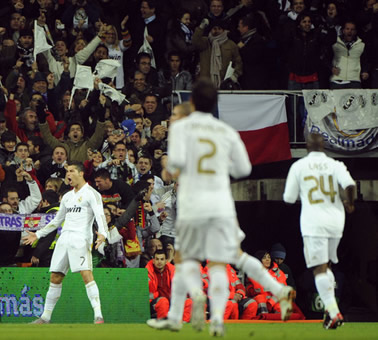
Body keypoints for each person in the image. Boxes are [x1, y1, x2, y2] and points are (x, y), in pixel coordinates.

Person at [147, 78, 294, 337]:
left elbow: (175, 167)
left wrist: (169, 168)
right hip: (221, 202)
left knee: (184, 259)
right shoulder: (225, 131)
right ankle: (217, 318)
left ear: (192, 102)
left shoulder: (183, 128)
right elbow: (244, 169)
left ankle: (178, 314)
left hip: (194, 202)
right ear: (215, 104)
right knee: (222, 261)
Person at [283, 133, 356, 330]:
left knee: (318, 270)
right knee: (328, 266)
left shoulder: (299, 166)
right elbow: (350, 185)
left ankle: (333, 312)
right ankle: (329, 313)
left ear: (307, 145)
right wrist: (349, 202)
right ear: (324, 145)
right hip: (336, 221)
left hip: (314, 222)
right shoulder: (335, 165)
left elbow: (289, 198)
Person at [23, 161, 108, 324]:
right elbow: (57, 221)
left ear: (81, 173)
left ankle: (98, 314)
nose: (68, 174)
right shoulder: (67, 197)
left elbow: (100, 215)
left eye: (71, 171)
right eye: (67, 172)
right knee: (55, 277)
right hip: (63, 240)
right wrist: (38, 234)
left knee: (86, 275)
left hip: (80, 239)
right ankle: (45, 317)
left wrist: (102, 234)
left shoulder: (91, 193)